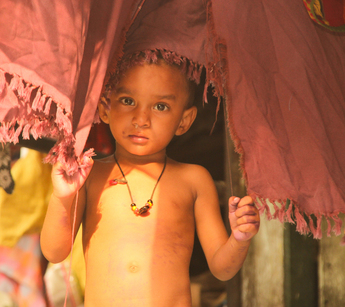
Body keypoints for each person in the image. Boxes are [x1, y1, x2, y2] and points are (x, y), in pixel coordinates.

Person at [40, 55, 260, 307]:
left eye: (160, 106)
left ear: (184, 121)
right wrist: (62, 197)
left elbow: (222, 269)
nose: (141, 119)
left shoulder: (194, 180)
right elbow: (53, 252)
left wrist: (239, 239)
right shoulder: (89, 175)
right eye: (128, 101)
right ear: (104, 108)